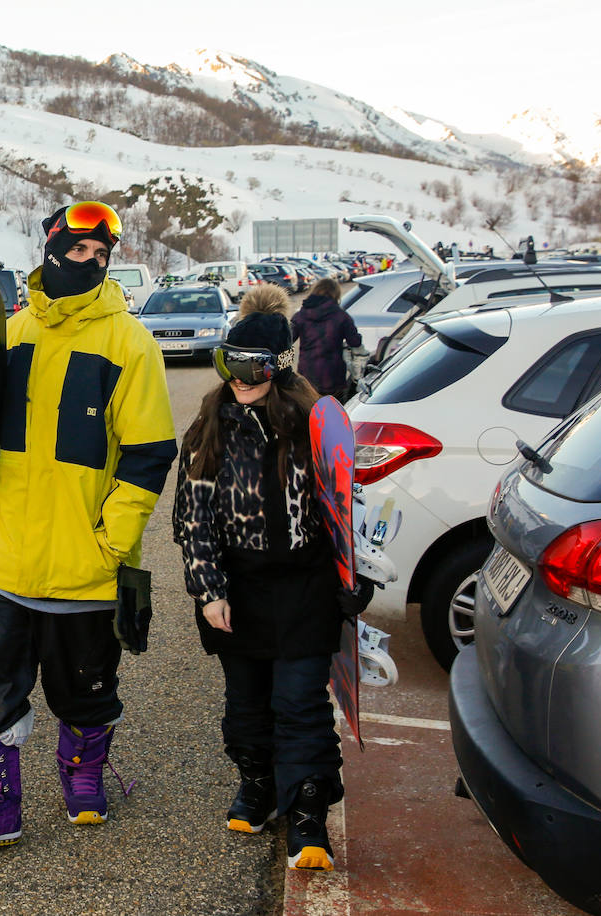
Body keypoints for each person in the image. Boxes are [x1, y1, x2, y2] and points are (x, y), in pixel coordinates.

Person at [0, 202, 177, 851]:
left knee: (86, 691)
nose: (92, 262)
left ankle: (83, 774)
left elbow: (150, 454)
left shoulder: (130, 343)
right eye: (80, 250)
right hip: (2, 558)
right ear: (50, 249)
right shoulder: (8, 335)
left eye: (102, 255)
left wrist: (113, 543)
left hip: (85, 567)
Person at [171, 286, 370, 871]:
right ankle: (258, 783)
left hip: (306, 587)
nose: (238, 378)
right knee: (247, 706)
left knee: (300, 704)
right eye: (227, 363)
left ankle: (307, 809)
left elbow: (344, 511)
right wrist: (209, 592)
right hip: (239, 589)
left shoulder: (312, 426)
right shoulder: (210, 428)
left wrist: (356, 578)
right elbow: (193, 518)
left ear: (279, 368)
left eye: (252, 367)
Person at [290, 278, 362, 400]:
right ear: (335, 294)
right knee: (332, 414)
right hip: (333, 376)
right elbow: (355, 342)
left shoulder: (301, 315)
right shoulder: (341, 316)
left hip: (307, 375)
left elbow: (287, 340)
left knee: (309, 412)